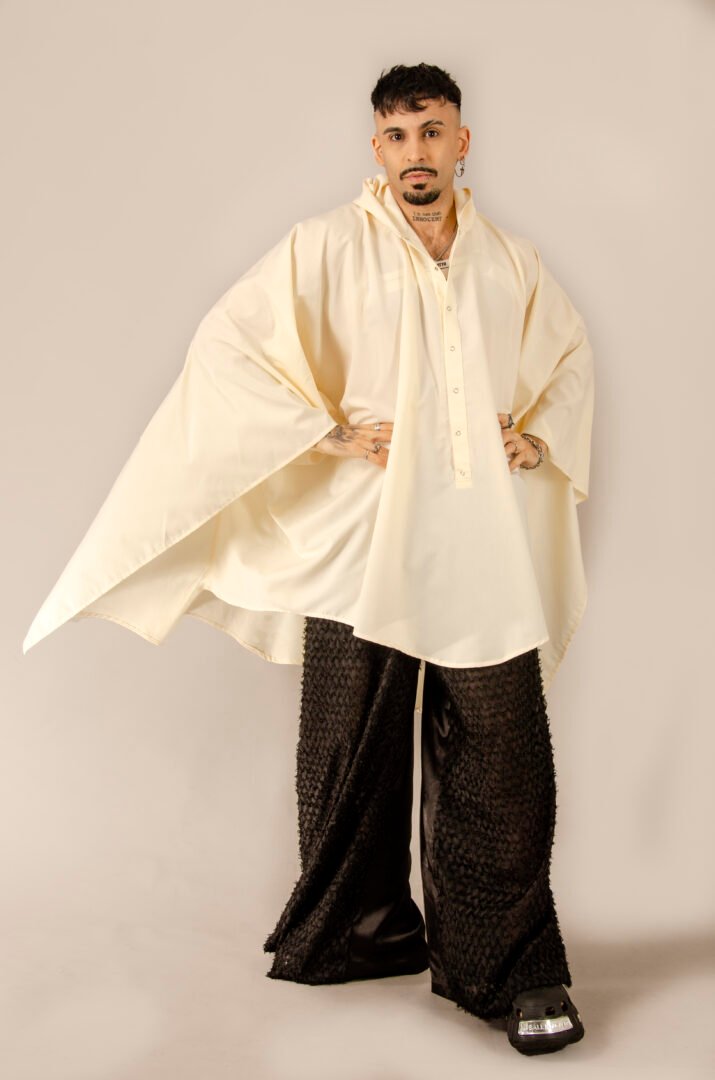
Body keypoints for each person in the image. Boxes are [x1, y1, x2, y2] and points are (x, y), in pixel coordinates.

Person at [22, 63, 594, 1056]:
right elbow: (231, 350)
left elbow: (567, 358)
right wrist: (324, 435)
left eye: (432, 131)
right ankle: (363, 930)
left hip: (479, 537)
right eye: (396, 135)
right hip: (358, 536)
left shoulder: (512, 262)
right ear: (376, 148)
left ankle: (504, 965)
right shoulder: (325, 247)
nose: (415, 153)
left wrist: (538, 435)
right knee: (347, 739)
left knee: (502, 748)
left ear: (462, 141)